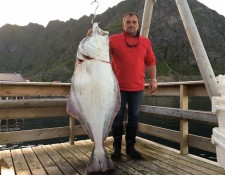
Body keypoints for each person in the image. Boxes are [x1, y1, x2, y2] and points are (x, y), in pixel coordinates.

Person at [110, 12, 157, 160]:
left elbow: (151, 61)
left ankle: (131, 148)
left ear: (138, 24)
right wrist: (92, 36)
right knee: (117, 117)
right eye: (128, 22)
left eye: (134, 22)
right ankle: (116, 149)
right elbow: (98, 50)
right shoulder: (113, 40)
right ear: (123, 25)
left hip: (137, 88)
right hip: (117, 88)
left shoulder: (145, 42)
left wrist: (154, 79)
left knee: (134, 118)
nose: (131, 24)